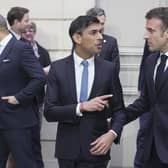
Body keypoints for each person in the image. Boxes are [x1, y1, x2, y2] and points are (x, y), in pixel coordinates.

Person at [44, 15, 125, 168]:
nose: (100, 37)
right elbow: (49, 111)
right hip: (67, 151)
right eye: (93, 33)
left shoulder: (108, 69)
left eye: (100, 32)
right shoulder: (58, 68)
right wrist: (81, 107)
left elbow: (120, 110)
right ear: (77, 38)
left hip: (97, 150)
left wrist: (112, 134)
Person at [0, 14, 45, 168]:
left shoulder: (21, 48)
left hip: (18, 120)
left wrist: (19, 97)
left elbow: (39, 77)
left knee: (27, 164)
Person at [125, 7, 168, 167]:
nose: (145, 36)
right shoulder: (150, 62)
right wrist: (116, 120)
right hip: (149, 150)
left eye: (151, 31)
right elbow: (145, 102)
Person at [134, 41, 153, 168]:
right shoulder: (152, 58)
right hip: (149, 101)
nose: (146, 35)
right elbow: (146, 62)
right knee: (145, 137)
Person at [86, 7, 120, 74]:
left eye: (102, 24)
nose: (101, 27)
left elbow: (115, 68)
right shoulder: (81, 40)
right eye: (98, 23)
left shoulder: (111, 42)